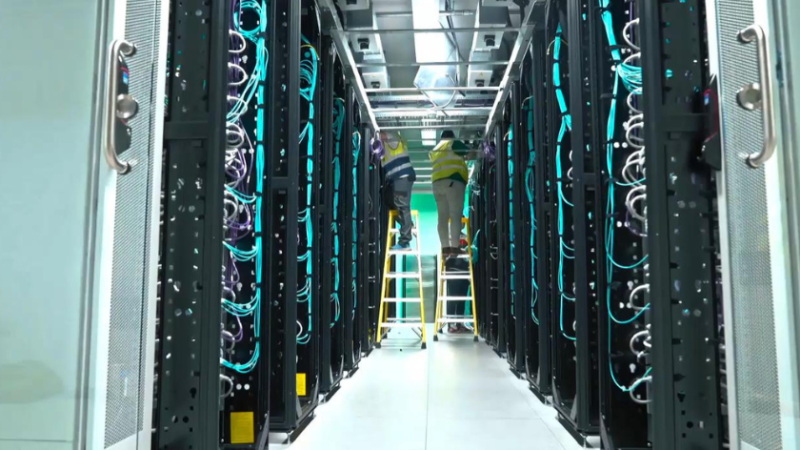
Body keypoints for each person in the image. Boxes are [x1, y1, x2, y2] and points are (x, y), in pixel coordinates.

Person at [430, 130, 472, 258]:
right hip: (453, 182)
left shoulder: (435, 150)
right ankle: (454, 247)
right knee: (455, 215)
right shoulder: (453, 143)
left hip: (437, 185)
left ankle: (445, 248)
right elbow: (470, 153)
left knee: (442, 218)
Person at [380, 131, 416, 251]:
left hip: (403, 177)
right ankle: (408, 225)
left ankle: (405, 241)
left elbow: (383, 135)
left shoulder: (393, 137)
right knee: (389, 200)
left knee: (402, 206)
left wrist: (372, 130)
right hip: (395, 179)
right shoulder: (383, 147)